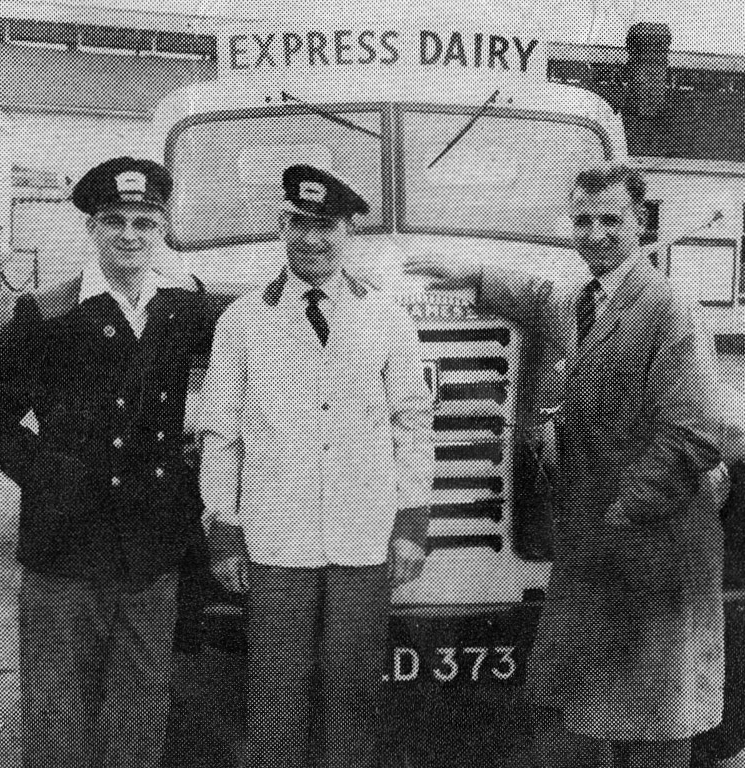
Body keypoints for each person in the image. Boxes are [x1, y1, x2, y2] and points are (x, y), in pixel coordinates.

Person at [405, 165, 727, 768]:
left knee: (653, 728)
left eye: (612, 221)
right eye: (583, 220)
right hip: (597, 555)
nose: (596, 234)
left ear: (641, 225)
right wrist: (472, 276)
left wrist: (618, 516)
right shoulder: (589, 298)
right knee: (595, 725)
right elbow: (540, 298)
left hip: (647, 555)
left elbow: (698, 432)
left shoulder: (670, 311)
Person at [0, 157, 214, 768]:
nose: (129, 235)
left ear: (163, 229)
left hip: (149, 551)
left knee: (137, 718)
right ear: (91, 229)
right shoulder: (49, 315)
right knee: (57, 719)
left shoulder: (189, 315)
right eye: (113, 222)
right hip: (64, 552)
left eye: (144, 222)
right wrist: (52, 479)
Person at [194, 165, 433, 768]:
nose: (311, 240)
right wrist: (223, 531)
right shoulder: (245, 318)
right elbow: (221, 433)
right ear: (283, 226)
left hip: (363, 535)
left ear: (349, 230)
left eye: (325, 227)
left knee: (352, 699)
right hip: (278, 538)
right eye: (299, 225)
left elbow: (411, 424)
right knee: (273, 697)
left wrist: (410, 526)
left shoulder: (386, 317)